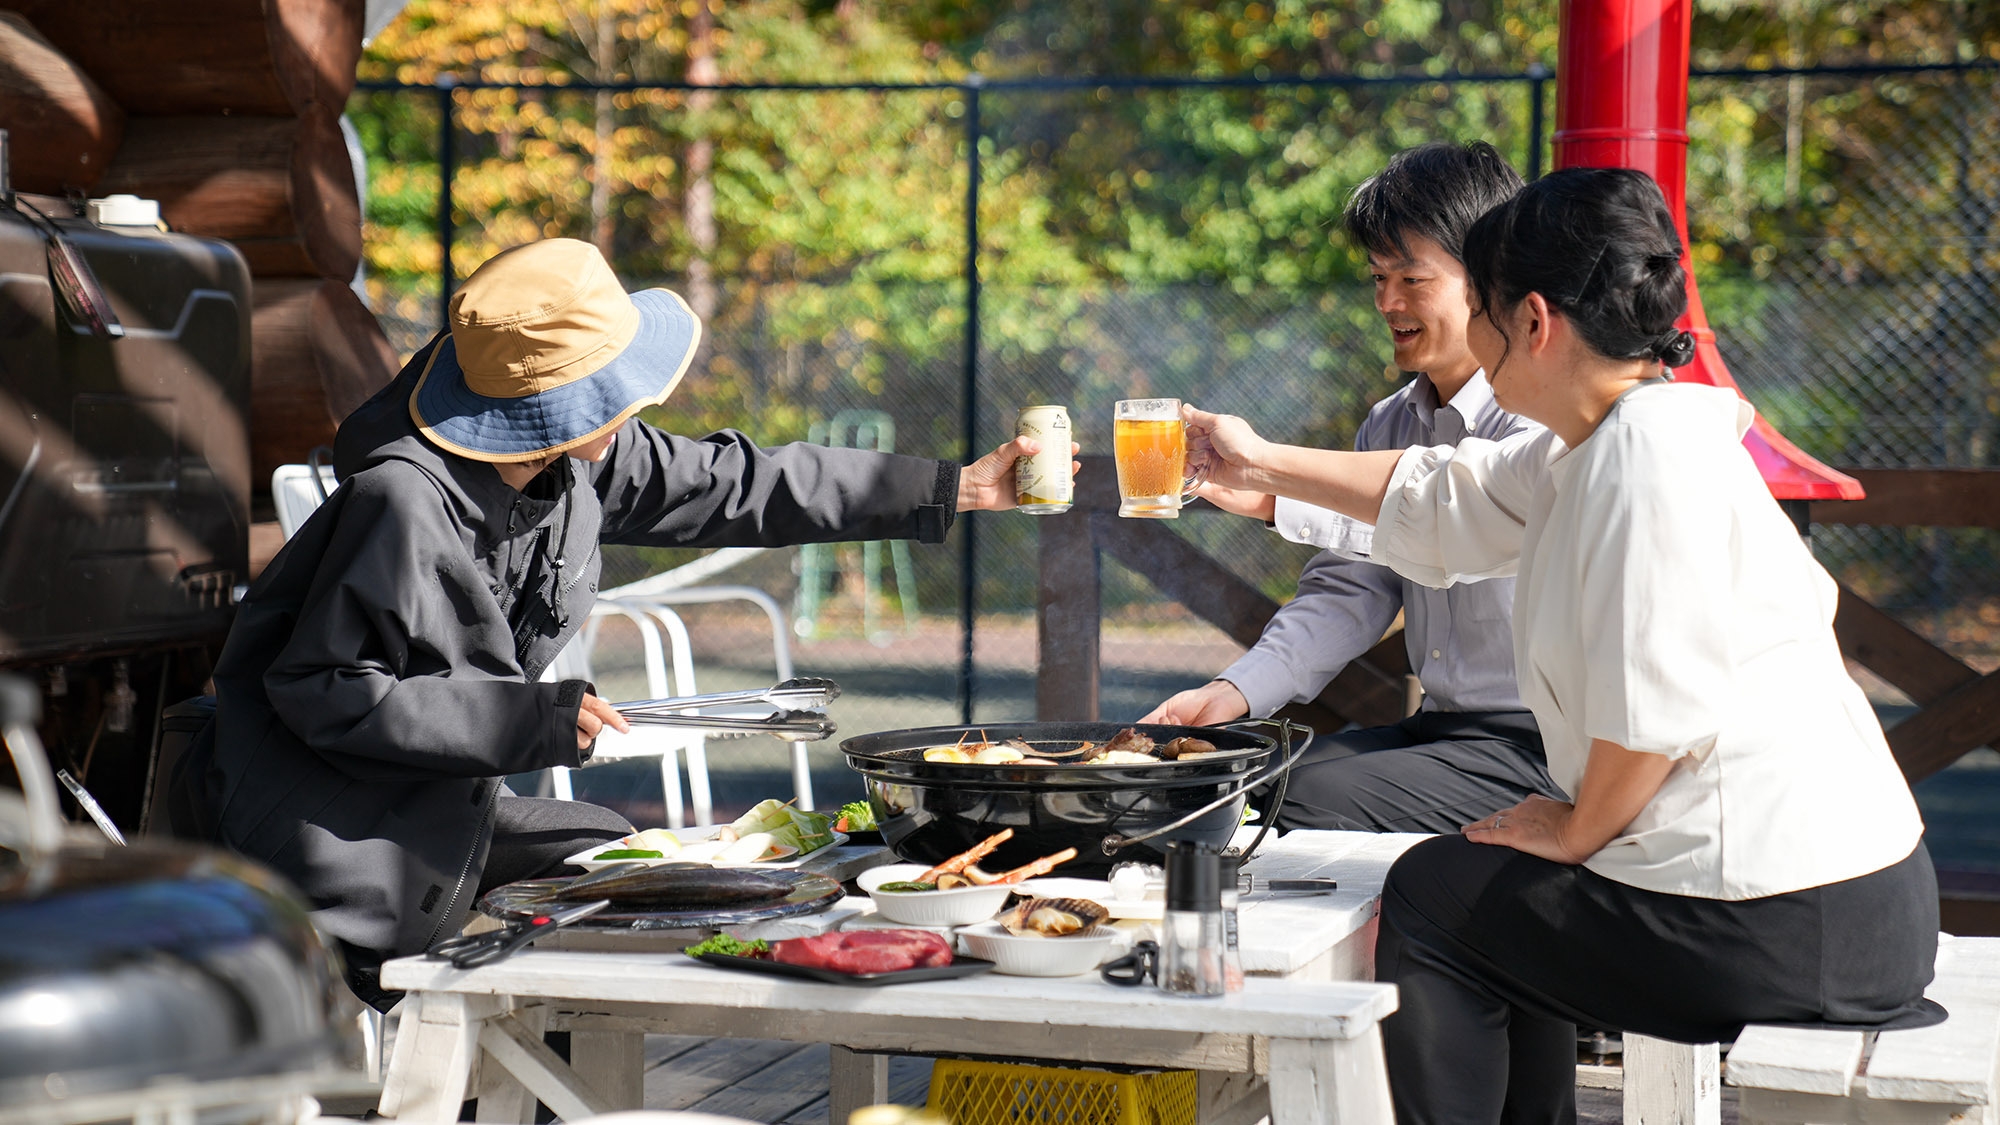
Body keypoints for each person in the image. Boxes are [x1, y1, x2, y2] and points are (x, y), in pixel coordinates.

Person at [1184, 168, 1940, 1124]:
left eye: (1484, 310)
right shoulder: (1605, 437)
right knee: (1478, 887)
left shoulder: (1641, 466)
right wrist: (1260, 460)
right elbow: (1440, 495)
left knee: (1436, 896)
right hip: (1828, 888)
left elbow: (1657, 712)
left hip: (1789, 912)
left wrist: (1574, 830)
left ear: (1532, 320)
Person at [187, 239, 1064, 1008]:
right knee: (614, 904)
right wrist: (526, 719)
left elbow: (738, 483)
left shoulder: (570, 461)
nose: (637, 404)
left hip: (449, 809)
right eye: (617, 385)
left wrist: (950, 487)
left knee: (635, 857)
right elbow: (324, 691)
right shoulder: (400, 503)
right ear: (555, 408)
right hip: (347, 841)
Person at [1142, 141, 1565, 834]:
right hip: (1443, 729)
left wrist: (1268, 476)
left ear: (1490, 276)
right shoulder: (1392, 420)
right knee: (1241, 776)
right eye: (1376, 277)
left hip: (1545, 746)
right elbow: (1349, 589)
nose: (1386, 302)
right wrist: (1234, 691)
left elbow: (1446, 511)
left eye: (1411, 279)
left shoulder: (1546, 422)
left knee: (1290, 797)